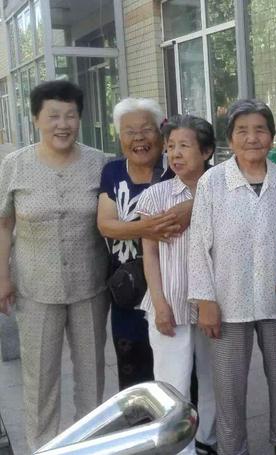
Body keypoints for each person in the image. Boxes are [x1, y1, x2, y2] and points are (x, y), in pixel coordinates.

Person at [187, 99, 276, 455]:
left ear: (272, 137)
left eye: (260, 130)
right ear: (230, 138)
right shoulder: (213, 182)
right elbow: (198, 245)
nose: (252, 138)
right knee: (229, 382)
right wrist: (205, 300)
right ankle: (232, 447)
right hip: (227, 299)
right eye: (243, 131)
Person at [0, 80, 108, 450]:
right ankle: (42, 446)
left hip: (90, 286)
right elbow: (3, 225)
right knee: (40, 377)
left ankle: (89, 442)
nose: (62, 124)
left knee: (91, 374)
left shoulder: (100, 164)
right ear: (36, 120)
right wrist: (2, 279)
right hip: (34, 287)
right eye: (53, 116)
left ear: (79, 118)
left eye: (71, 116)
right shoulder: (14, 166)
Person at [136, 115, 218, 455]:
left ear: (207, 151)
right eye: (170, 147)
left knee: (214, 381)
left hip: (213, 304)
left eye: (184, 146)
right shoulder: (157, 195)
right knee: (172, 384)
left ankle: (208, 441)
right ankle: (178, 450)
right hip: (169, 300)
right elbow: (149, 253)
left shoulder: (222, 191)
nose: (175, 154)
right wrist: (159, 303)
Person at [97, 97, 190, 390]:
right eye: (129, 131)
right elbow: (106, 224)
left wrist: (132, 228)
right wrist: (148, 226)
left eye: (146, 129)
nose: (138, 138)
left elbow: (195, 206)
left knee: (180, 372)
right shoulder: (112, 172)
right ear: (119, 136)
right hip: (128, 290)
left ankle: (186, 432)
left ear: (160, 134)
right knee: (134, 373)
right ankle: (140, 432)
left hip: (174, 287)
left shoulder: (177, 167)